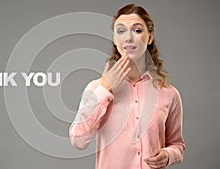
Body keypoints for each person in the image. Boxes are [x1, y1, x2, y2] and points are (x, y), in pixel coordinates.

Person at [69, 3, 185, 169]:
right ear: (115, 39)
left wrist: (168, 155)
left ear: (150, 37)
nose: (128, 38)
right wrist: (104, 89)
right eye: (121, 31)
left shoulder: (169, 93)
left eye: (137, 30)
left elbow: (177, 145)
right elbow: (78, 141)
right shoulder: (96, 88)